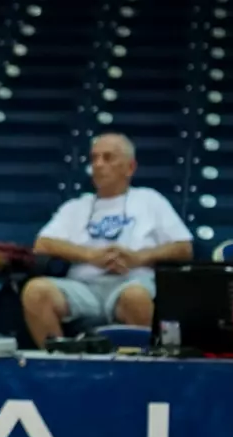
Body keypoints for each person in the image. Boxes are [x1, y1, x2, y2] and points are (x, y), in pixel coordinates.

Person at [19, 133, 192, 348]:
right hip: (82, 287)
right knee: (35, 292)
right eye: (94, 158)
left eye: (108, 158)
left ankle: (145, 368)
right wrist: (91, 256)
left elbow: (184, 248)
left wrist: (138, 257)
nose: (98, 165)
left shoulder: (150, 200)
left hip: (131, 282)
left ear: (130, 167)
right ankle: (61, 363)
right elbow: (43, 243)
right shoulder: (76, 206)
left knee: (135, 297)